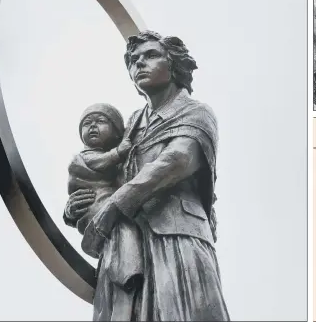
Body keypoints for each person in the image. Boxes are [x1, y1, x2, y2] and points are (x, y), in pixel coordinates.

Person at [70, 30, 229, 321]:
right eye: (133, 60)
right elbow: (107, 175)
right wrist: (79, 205)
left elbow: (175, 161)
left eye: (151, 56)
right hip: (126, 246)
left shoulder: (196, 113)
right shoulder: (131, 124)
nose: (139, 64)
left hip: (177, 235)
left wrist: (113, 206)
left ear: (174, 65)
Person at [64, 103, 145, 304]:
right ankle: (128, 271)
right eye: (87, 123)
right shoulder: (84, 158)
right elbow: (101, 165)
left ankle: (128, 270)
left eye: (100, 121)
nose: (92, 127)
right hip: (98, 208)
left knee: (123, 230)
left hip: (114, 209)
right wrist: (69, 213)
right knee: (121, 229)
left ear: (116, 131)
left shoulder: (122, 157)